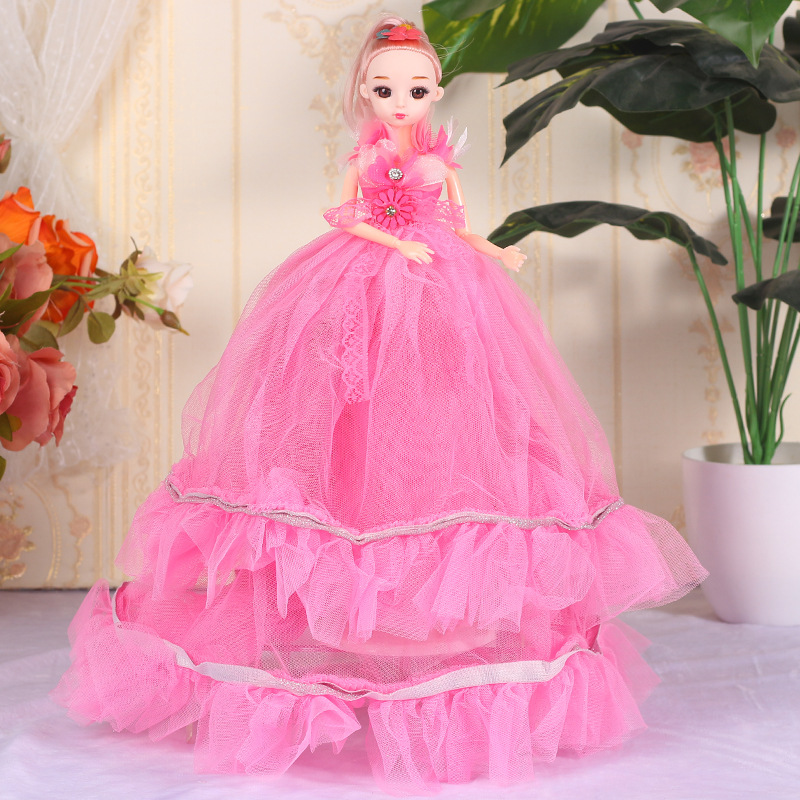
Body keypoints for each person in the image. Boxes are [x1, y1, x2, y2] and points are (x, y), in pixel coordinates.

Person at [53, 16, 707, 792]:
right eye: (386, 88)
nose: (401, 101)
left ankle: (430, 615)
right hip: (358, 283)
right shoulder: (367, 159)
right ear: (365, 91)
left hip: (447, 288)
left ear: (434, 91)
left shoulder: (438, 162)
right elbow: (346, 217)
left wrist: (495, 252)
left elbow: (460, 226)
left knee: (444, 422)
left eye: (417, 89)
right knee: (344, 418)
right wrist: (398, 245)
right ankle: (347, 609)